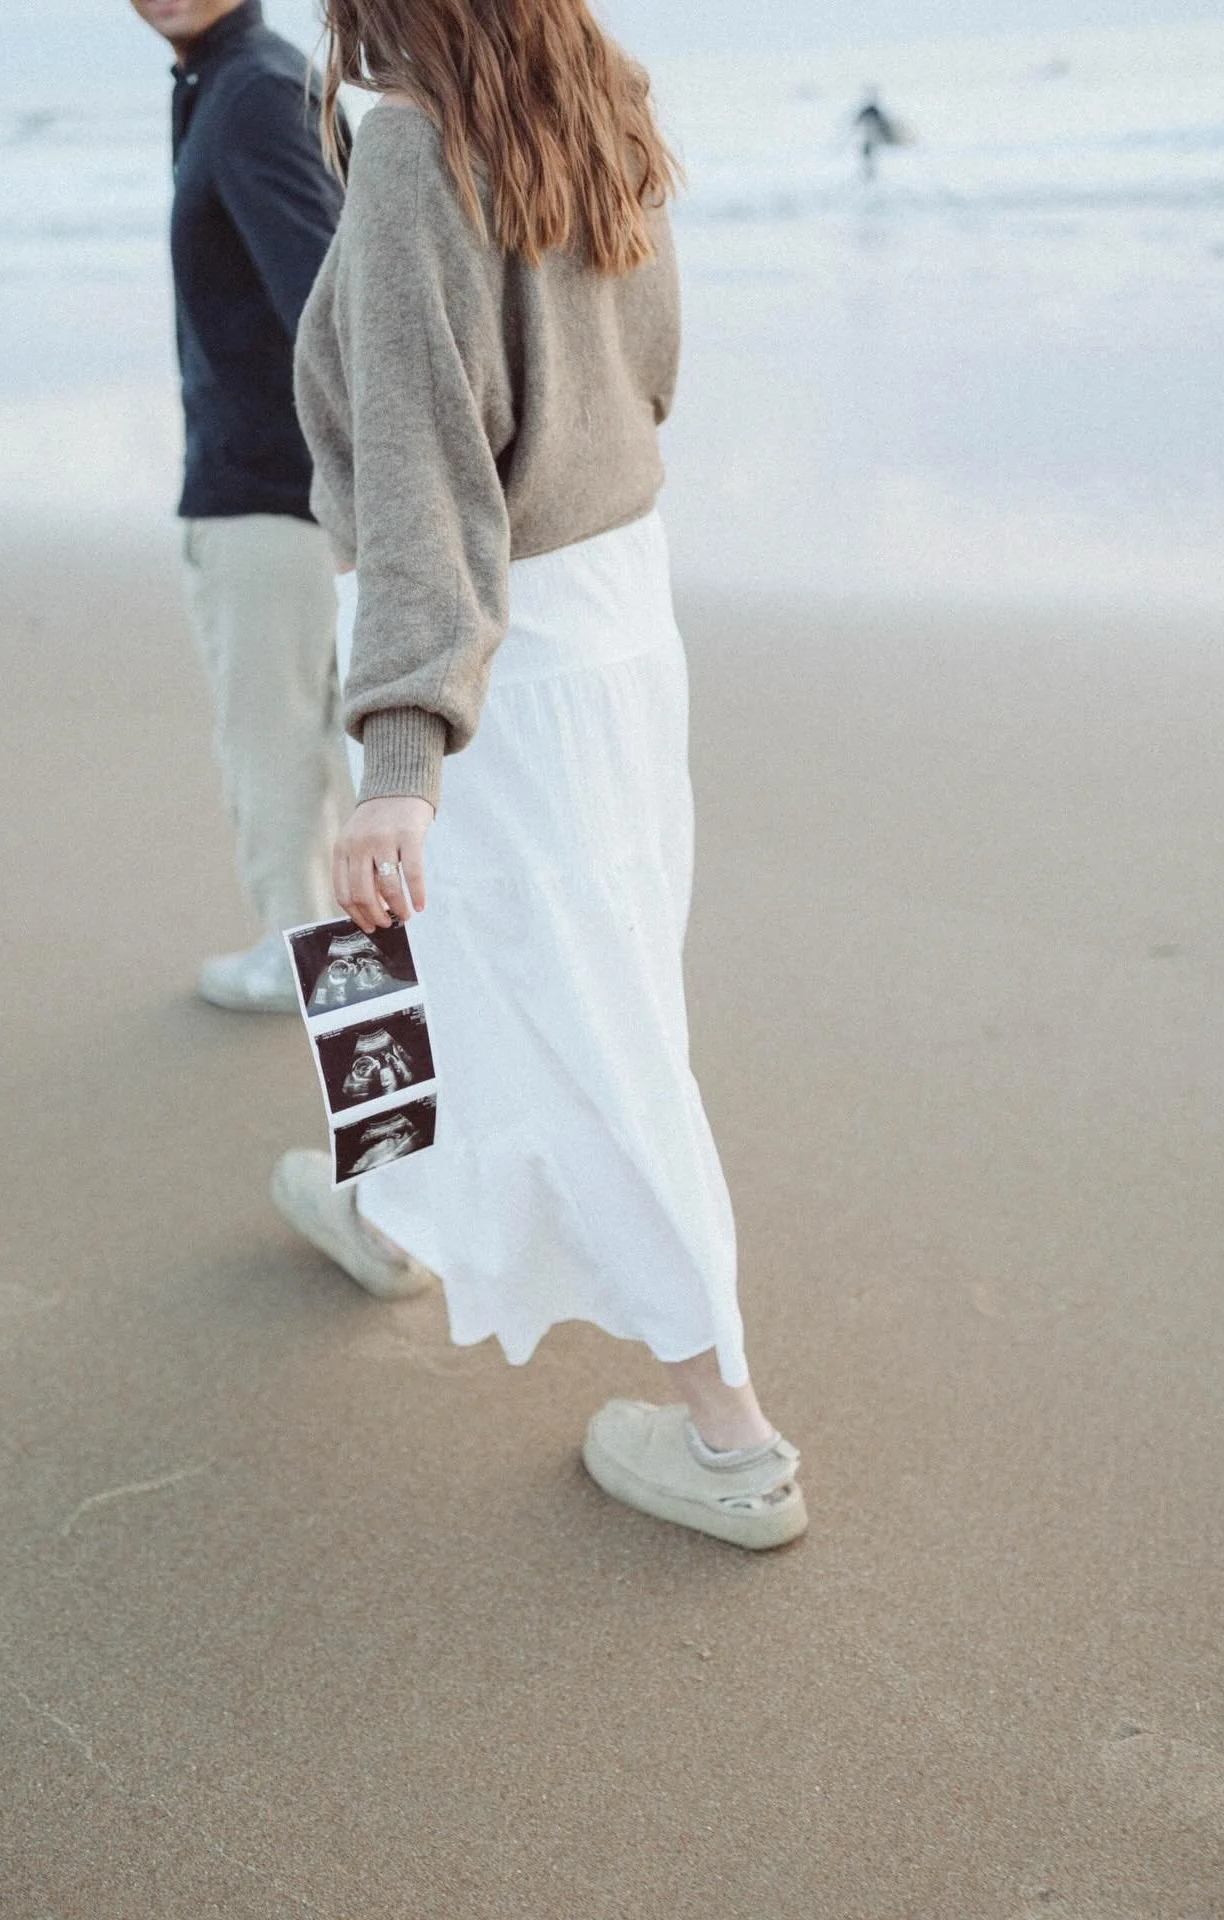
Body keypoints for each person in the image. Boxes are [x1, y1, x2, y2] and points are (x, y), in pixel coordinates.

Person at [272, 0, 807, 1550]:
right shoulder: (597, 98)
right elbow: (647, 373)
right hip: (618, 612)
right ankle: (381, 1201)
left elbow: (424, 472)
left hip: (481, 632)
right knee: (480, 961)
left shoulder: (410, 148)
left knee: (587, 1023)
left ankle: (731, 1435)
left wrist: (399, 745)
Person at [130, 0, 354, 1011]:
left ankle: (313, 978)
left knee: (281, 762)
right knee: (311, 764)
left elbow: (331, 304)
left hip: (274, 495)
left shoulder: (253, 91)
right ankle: (382, 1094)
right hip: (284, 485)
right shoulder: (229, 83)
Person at [852, 89, 903, 183]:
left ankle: (869, 173)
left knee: (869, 155)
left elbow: (856, 123)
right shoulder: (873, 112)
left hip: (871, 139)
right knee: (868, 155)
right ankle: (868, 172)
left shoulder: (872, 111)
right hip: (870, 139)